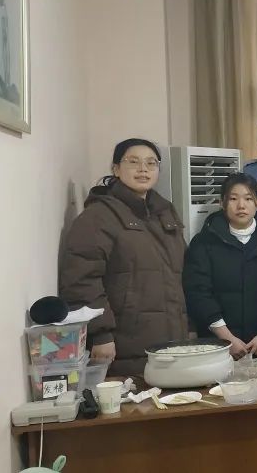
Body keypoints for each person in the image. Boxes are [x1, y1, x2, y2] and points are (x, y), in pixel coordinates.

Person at [59, 138, 188, 376]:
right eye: (133, 162)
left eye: (151, 163)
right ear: (116, 169)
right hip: (125, 344)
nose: (143, 169)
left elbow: (180, 273)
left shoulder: (165, 212)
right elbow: (82, 281)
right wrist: (101, 334)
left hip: (171, 341)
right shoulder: (98, 216)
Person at [183, 173, 257, 358]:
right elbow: (198, 293)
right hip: (218, 346)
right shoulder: (204, 242)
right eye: (233, 199)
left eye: (248, 199)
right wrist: (226, 337)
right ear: (222, 203)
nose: (241, 205)